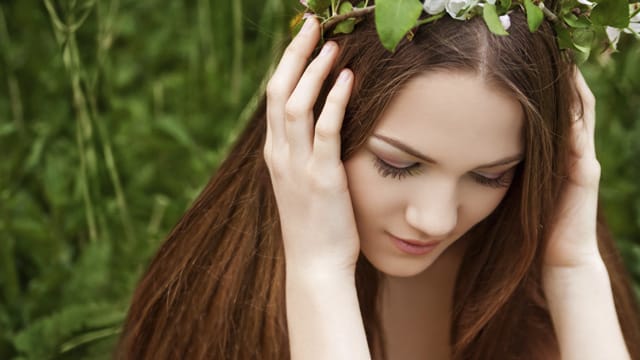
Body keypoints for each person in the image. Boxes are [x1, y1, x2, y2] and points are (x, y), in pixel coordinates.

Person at [116, 1, 640, 359]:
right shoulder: (220, 298)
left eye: (490, 175)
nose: (433, 219)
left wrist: (574, 270)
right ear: (306, 119)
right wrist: (319, 272)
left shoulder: (529, 294)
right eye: (398, 164)